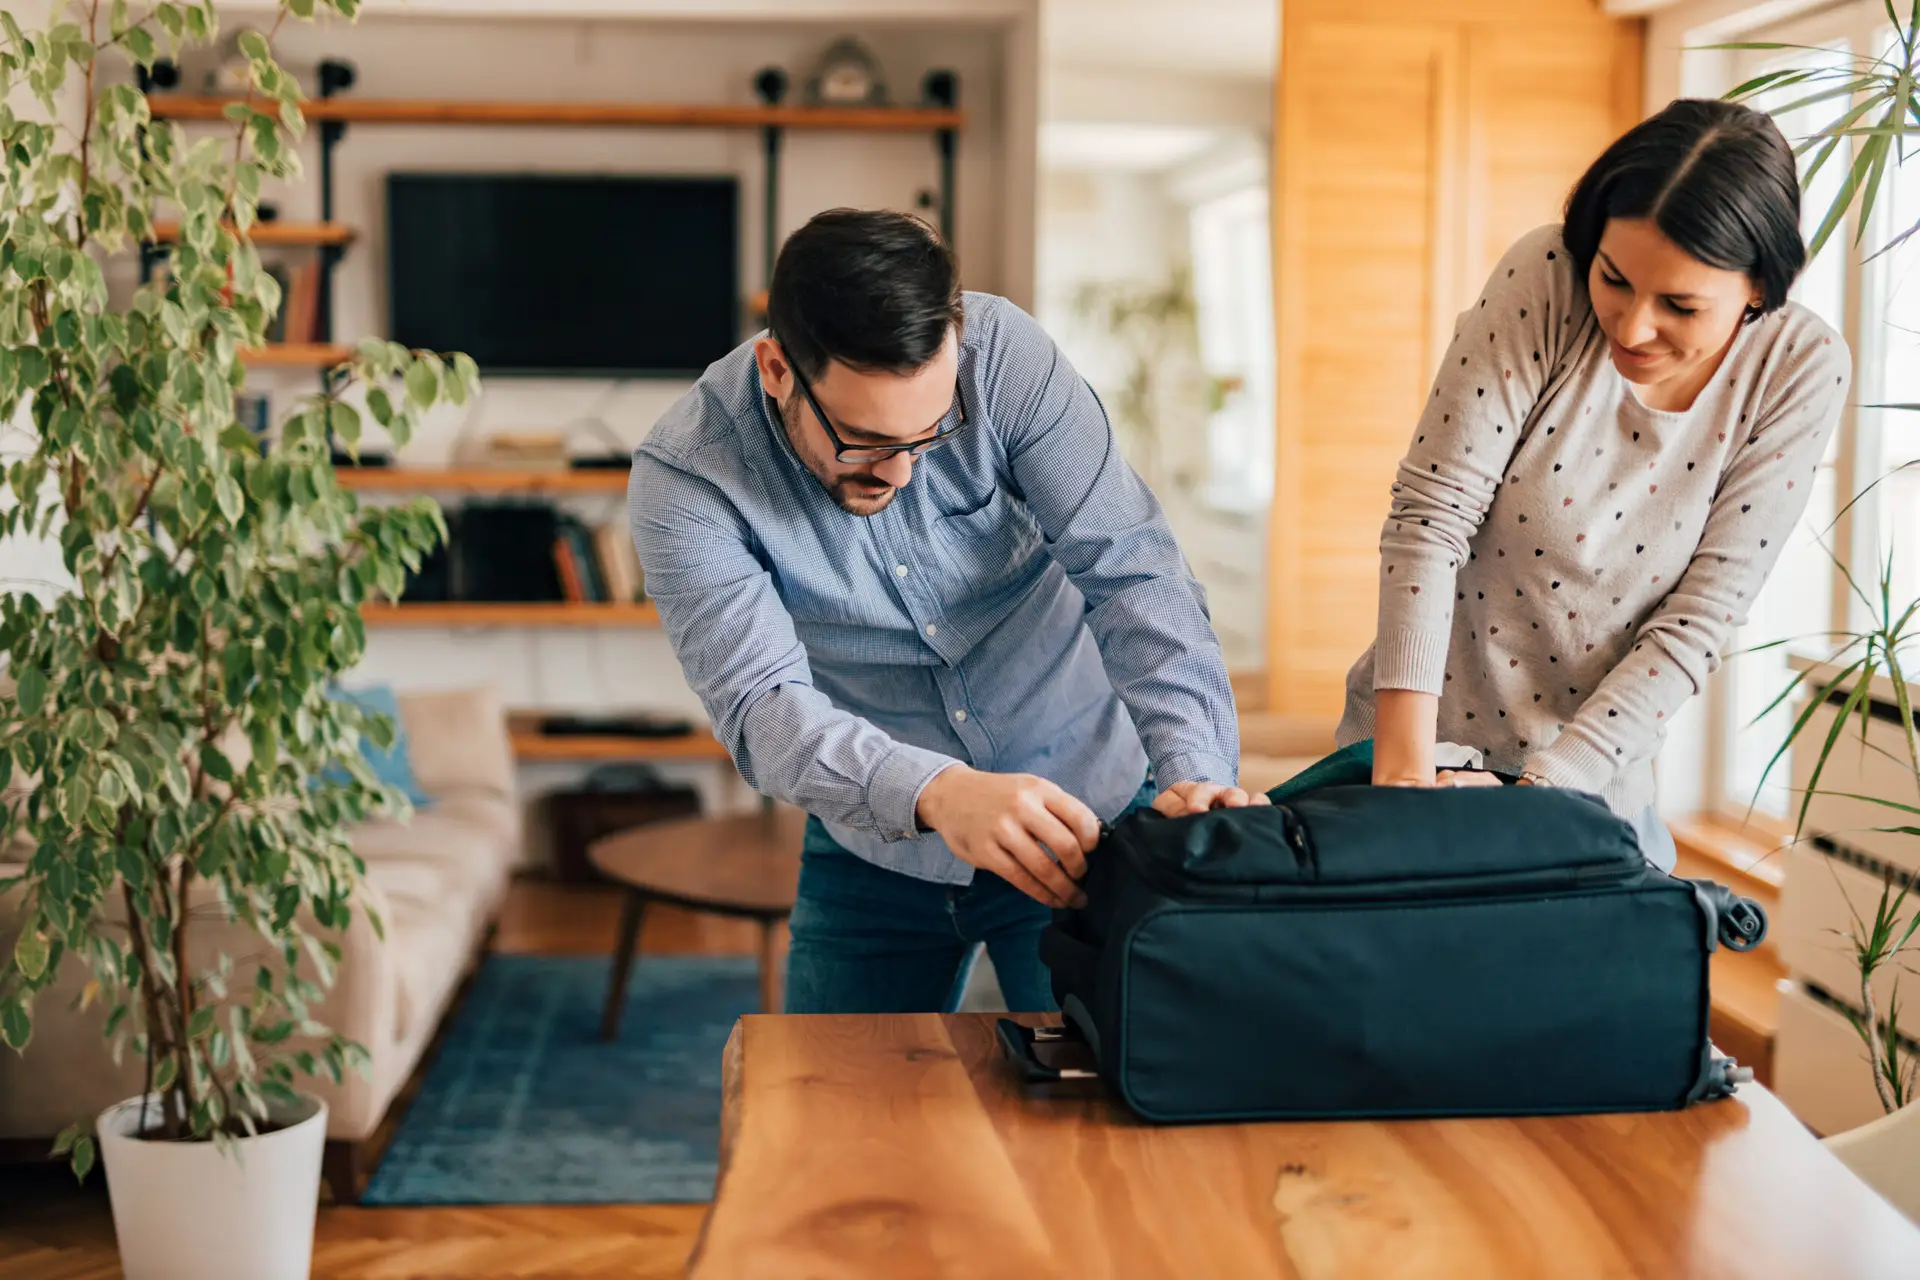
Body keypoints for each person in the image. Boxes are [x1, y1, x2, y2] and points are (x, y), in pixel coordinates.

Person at [631, 208, 1257, 1014]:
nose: (899, 470)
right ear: (777, 369)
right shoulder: (688, 480)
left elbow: (1132, 569)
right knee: (840, 1121)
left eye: (930, 435)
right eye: (862, 440)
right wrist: (938, 792)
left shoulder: (1007, 361)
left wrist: (1198, 772)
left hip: (1091, 809)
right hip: (879, 841)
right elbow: (762, 709)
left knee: (1121, 1105)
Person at [1339, 98, 1852, 870]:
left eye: (1679, 304)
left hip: (1591, 777)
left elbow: (1698, 623)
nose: (1632, 325)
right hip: (1414, 739)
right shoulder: (1547, 276)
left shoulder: (1797, 369)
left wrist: (1540, 797)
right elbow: (1431, 517)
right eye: (1614, 278)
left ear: (1759, 288)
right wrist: (1405, 777)